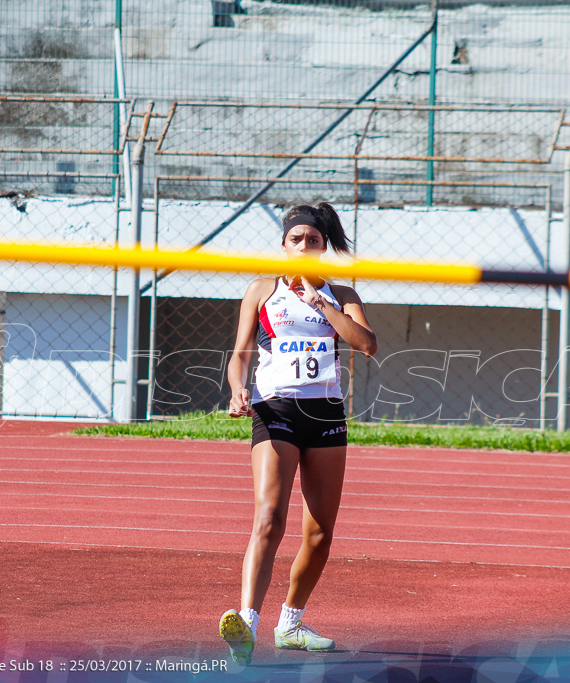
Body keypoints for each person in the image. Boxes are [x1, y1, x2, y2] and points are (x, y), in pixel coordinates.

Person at [218, 202, 377, 665]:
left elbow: (367, 345)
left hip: (325, 413)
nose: (304, 246)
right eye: (296, 239)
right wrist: (236, 390)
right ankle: (246, 624)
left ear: (323, 246)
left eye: (312, 240)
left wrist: (320, 301)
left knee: (320, 533)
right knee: (269, 518)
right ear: (283, 245)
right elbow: (241, 354)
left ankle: (290, 622)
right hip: (275, 409)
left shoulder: (341, 294)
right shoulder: (261, 290)